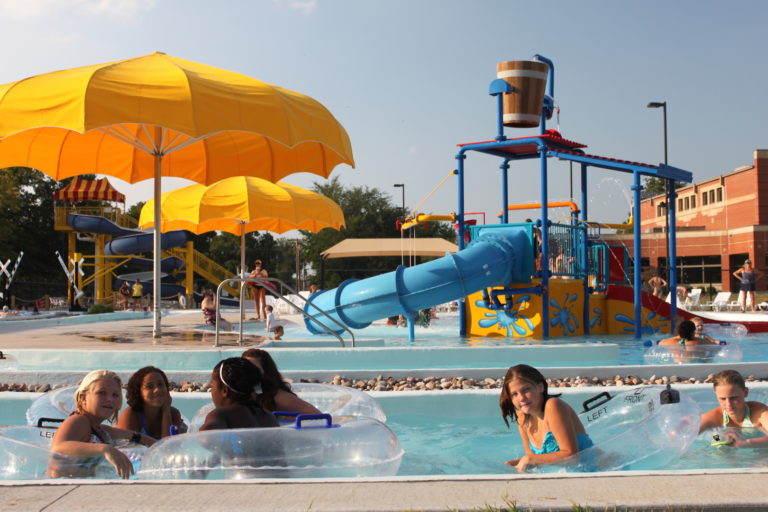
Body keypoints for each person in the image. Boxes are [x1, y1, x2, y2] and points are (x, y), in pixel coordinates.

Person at [49, 369, 154, 479]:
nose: (110, 399)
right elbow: (58, 447)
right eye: (101, 393)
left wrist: (164, 449)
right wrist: (105, 450)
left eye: (115, 395)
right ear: (83, 397)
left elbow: (137, 437)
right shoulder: (78, 421)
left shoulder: (102, 430)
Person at [499, 364, 593, 472]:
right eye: (514, 394)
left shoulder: (553, 406)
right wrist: (514, 463)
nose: (521, 398)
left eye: (526, 390)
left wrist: (528, 459)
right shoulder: (522, 418)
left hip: (599, 470)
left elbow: (572, 456)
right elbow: (534, 459)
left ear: (540, 387)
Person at [199, 358, 279, 431]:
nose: (211, 392)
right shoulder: (268, 416)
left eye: (212, 386)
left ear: (224, 390)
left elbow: (205, 437)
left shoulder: (220, 415)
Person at [699, 370, 768, 448]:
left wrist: (747, 443)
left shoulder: (759, 413)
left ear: (745, 392)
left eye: (733, 398)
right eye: (722, 398)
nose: (728, 404)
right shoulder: (715, 417)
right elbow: (687, 434)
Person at [241, 348, 320, 414]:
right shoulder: (237, 392)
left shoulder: (276, 396)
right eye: (246, 367)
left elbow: (317, 415)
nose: (249, 371)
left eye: (254, 369)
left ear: (266, 372)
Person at [116, 366, 187, 440]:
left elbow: (169, 447)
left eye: (160, 385)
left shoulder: (173, 414)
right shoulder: (130, 415)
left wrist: (166, 411)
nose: (157, 390)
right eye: (149, 386)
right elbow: (127, 449)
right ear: (138, 392)